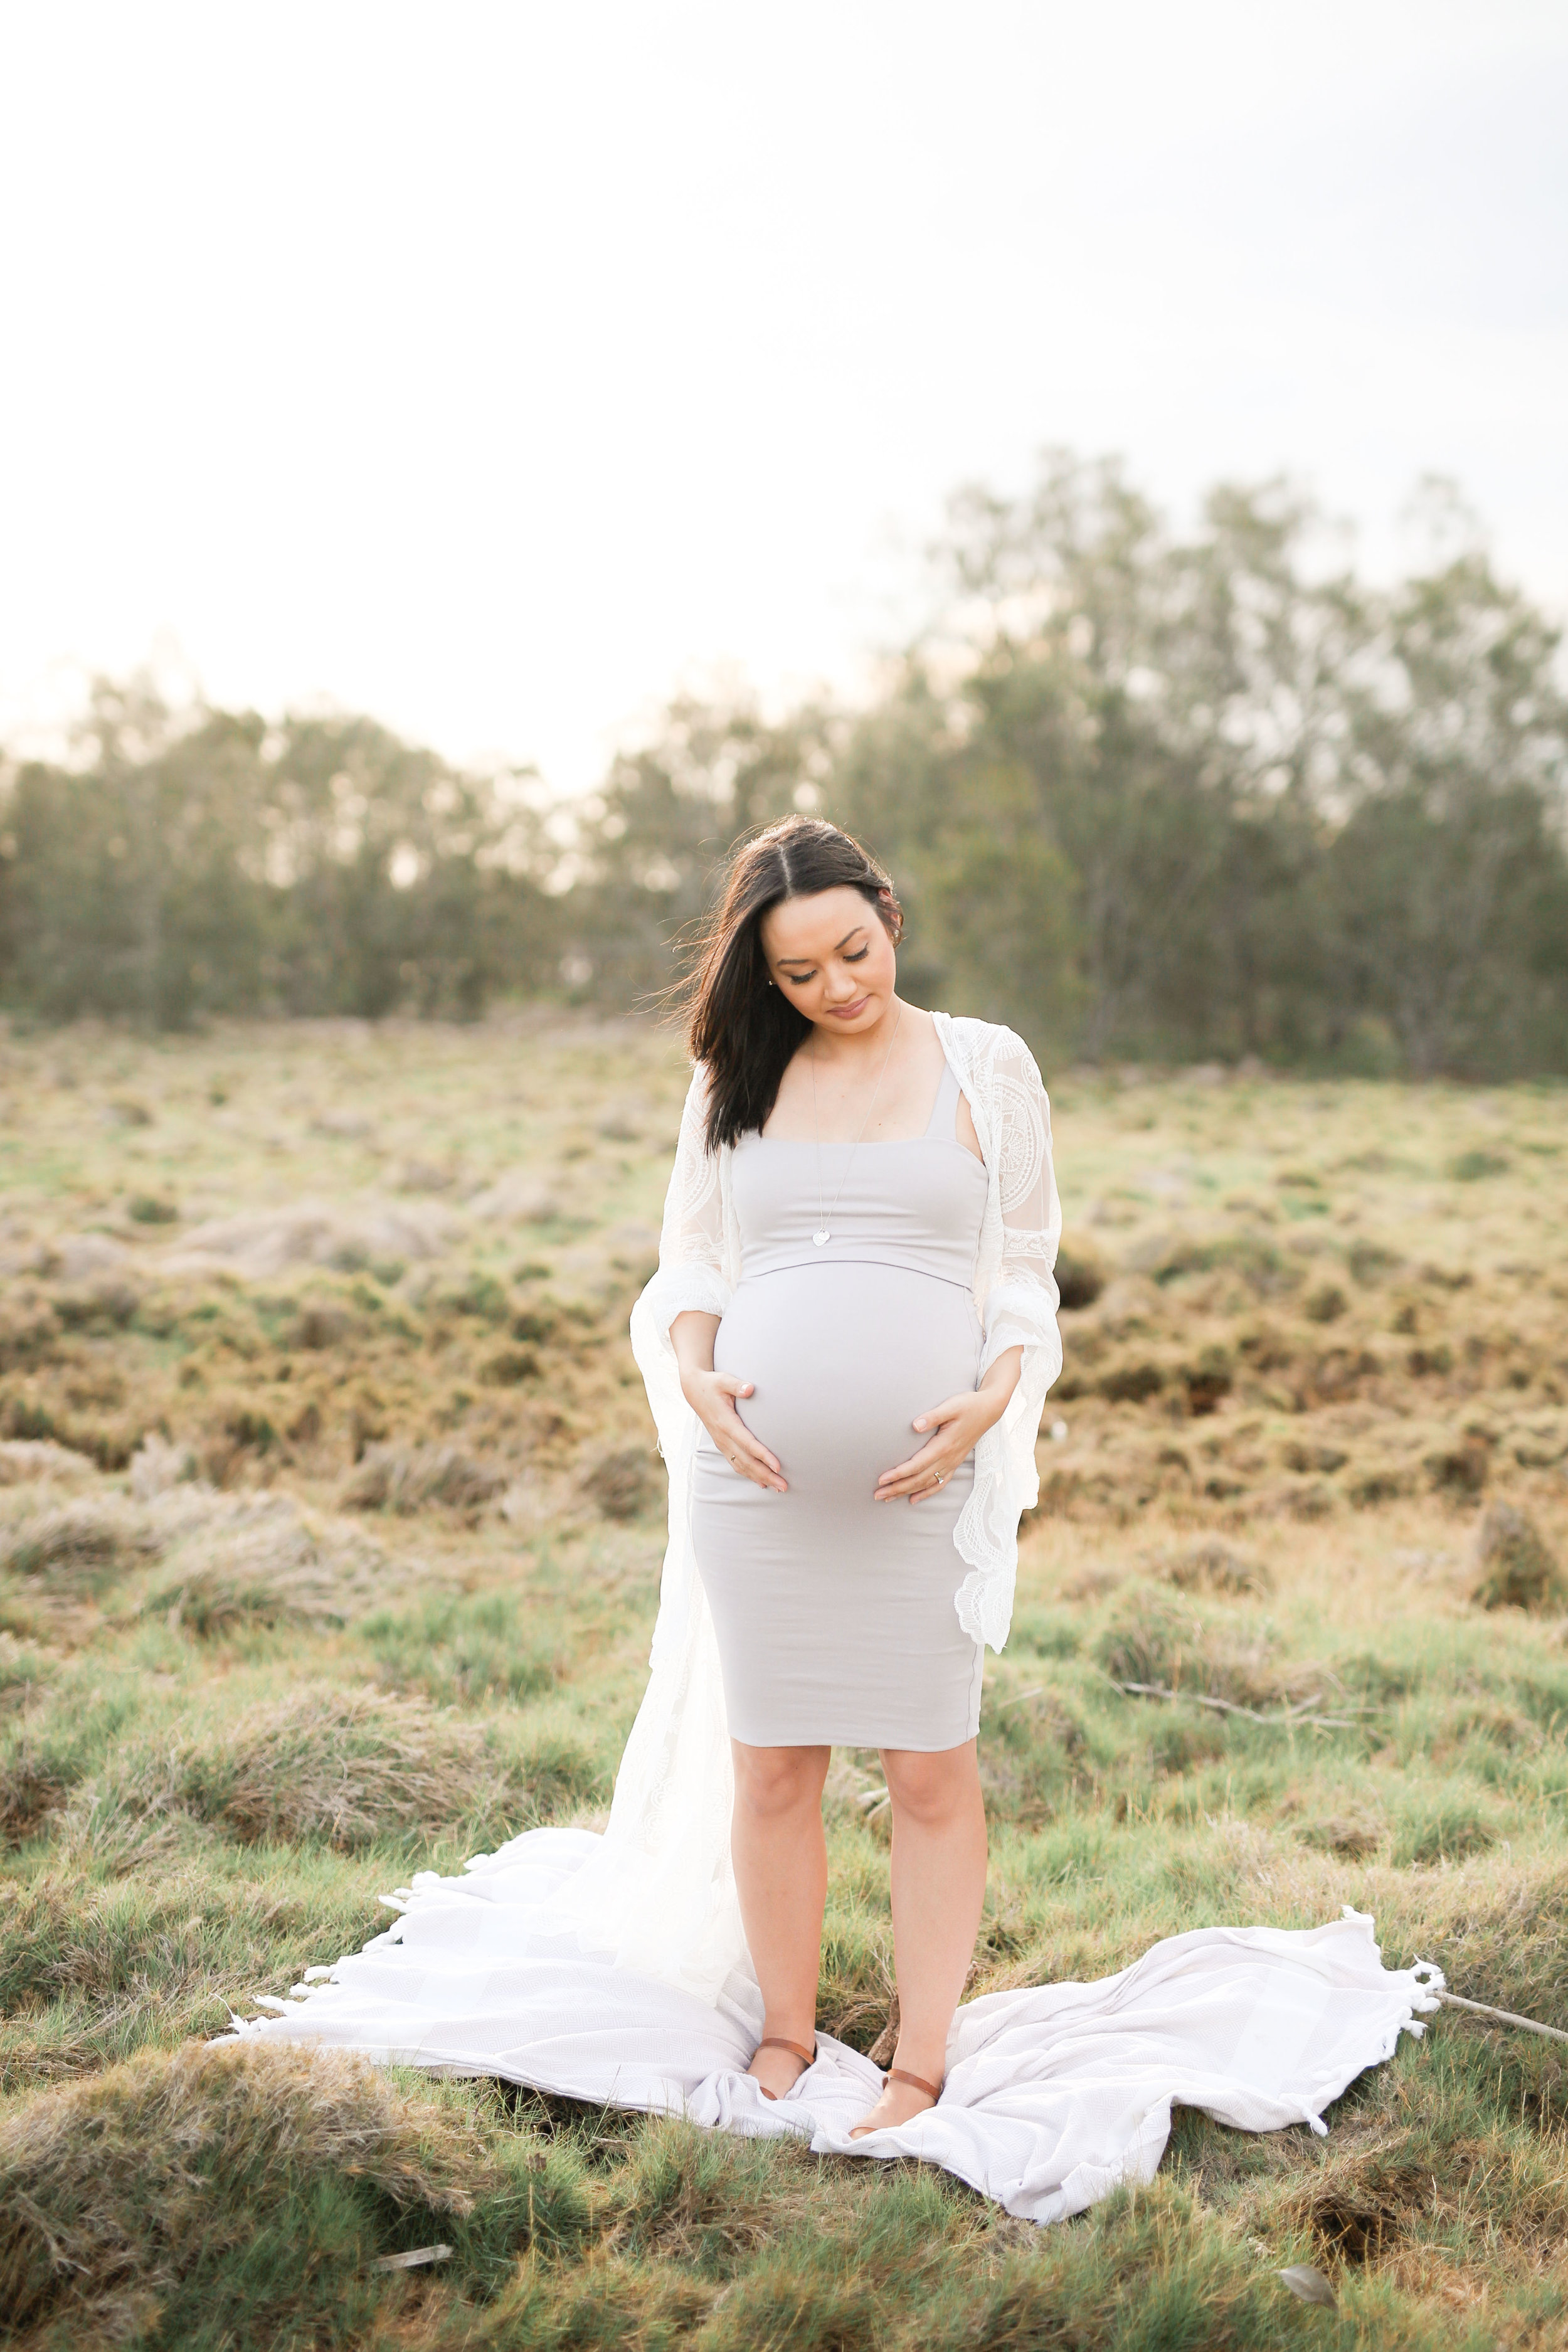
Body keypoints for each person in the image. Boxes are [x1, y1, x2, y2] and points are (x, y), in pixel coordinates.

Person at [652, 814, 1062, 2138]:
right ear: (761, 982)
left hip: (923, 1479)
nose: (836, 987)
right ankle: (785, 2028)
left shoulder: (984, 1066)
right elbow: (695, 1265)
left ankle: (919, 2060)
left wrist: (996, 1397)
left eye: (853, 950)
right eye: (798, 974)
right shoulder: (734, 1082)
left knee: (930, 1770)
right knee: (772, 1768)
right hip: (754, 1484)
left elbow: (1022, 1268)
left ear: (888, 913)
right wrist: (696, 1370)